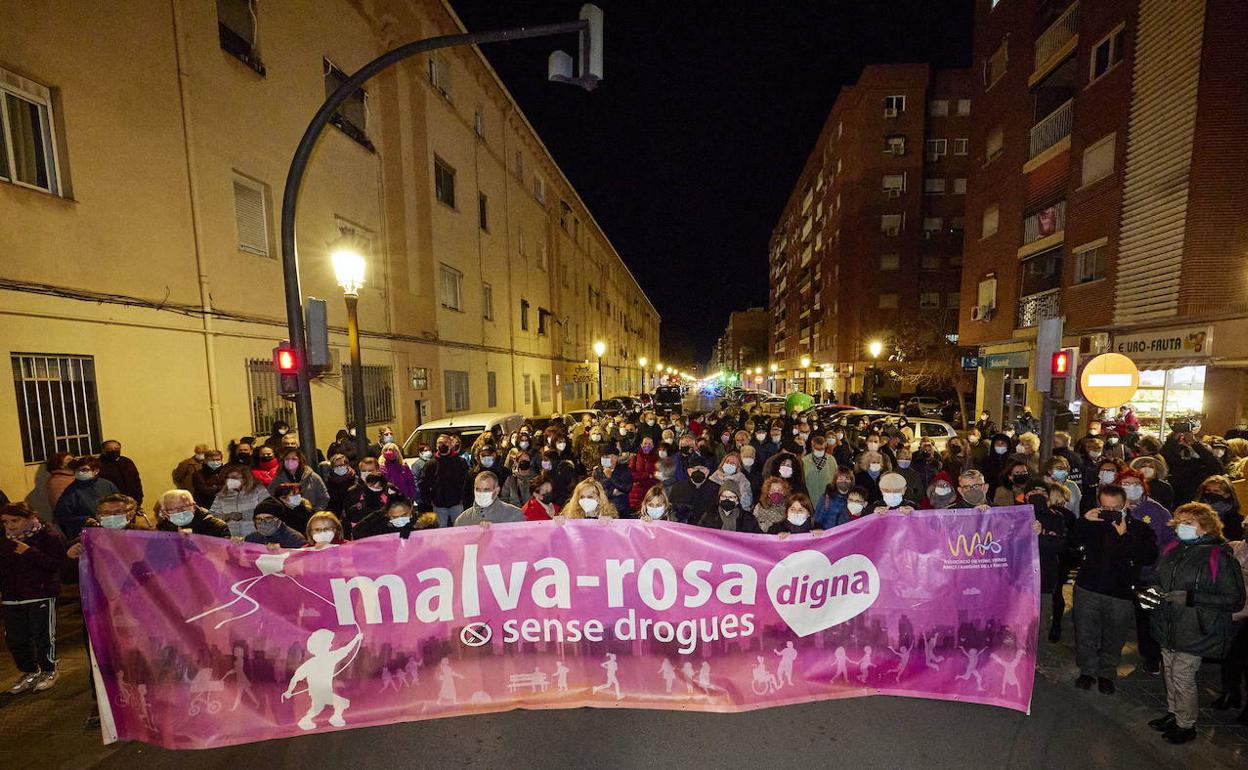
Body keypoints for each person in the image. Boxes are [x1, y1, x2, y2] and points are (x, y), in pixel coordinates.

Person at [1145, 503, 1247, 744]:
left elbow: (1234, 599)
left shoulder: (1219, 556)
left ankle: (1186, 724)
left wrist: (1191, 597)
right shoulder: (1173, 547)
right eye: (1180, 521)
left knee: (1183, 675)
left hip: (1196, 627)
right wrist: (1153, 592)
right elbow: (1160, 578)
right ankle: (1174, 713)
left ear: (1205, 527)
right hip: (1168, 622)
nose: (1182, 527)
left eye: (1189, 523)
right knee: (1170, 672)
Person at [1071, 484, 1158, 694]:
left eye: (1115, 507)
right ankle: (1087, 671)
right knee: (1085, 633)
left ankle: (1106, 674)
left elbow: (1148, 557)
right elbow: (1071, 544)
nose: (1110, 511)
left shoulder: (1139, 529)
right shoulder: (1092, 524)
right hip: (1088, 587)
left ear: (1125, 504)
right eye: (1105, 507)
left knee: (1115, 635)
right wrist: (1083, 521)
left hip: (1120, 592)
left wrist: (1125, 537)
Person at [0, 502, 67, 695]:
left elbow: (56, 564)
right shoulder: (4, 541)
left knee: (43, 636)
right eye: (6, 522)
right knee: (15, 639)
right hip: (12, 597)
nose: (10, 526)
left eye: (15, 520)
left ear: (29, 518)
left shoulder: (47, 536)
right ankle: (29, 671)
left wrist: (30, 552)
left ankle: (49, 670)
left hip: (40, 594)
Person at [1034, 482, 1075, 643]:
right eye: (1034, 491)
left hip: (1047, 575)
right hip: (1020, 580)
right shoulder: (1014, 515)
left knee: (1044, 616)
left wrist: (1041, 535)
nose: (1038, 495)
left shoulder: (1057, 517)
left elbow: (1062, 544)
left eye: (1042, 492)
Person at [55, 457, 122, 539]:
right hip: (88, 533)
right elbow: (62, 516)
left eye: (84, 470)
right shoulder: (71, 491)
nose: (80, 472)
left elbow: (121, 502)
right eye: (77, 470)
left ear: (96, 471)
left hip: (111, 528)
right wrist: (84, 520)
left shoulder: (107, 485)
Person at [420, 434, 470, 527]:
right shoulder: (431, 464)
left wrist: (463, 497)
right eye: (440, 443)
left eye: (446, 442)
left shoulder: (460, 462)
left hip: (456, 504)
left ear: (451, 444)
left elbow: (467, 481)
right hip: (439, 505)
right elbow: (423, 484)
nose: (443, 445)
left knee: (460, 529)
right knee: (440, 531)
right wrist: (430, 500)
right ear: (436, 445)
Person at [210, 465, 271, 539]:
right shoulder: (222, 495)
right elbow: (212, 515)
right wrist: (226, 516)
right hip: (230, 537)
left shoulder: (259, 491)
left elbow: (268, 510)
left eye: (235, 478)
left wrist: (243, 515)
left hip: (254, 536)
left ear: (245, 479)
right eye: (228, 478)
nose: (230, 480)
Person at [456, 472, 524, 526]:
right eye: (478, 490)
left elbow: (522, 541)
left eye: (486, 490)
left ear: (497, 490)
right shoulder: (462, 520)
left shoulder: (515, 515)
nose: (481, 493)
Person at [154, 489, 230, 538]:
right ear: (165, 512)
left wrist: (197, 537)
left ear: (194, 506)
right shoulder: (164, 529)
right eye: (172, 509)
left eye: (184, 506)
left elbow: (226, 555)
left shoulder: (217, 527)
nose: (180, 512)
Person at [668, 456, 719, 525]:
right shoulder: (678, 487)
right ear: (689, 471)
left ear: (707, 472)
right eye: (694, 468)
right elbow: (671, 510)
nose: (698, 471)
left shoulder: (716, 489)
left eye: (702, 468)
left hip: (706, 529)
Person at [1196, 475, 1246, 541]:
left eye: (1216, 491)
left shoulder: (1235, 519)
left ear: (1227, 495)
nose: (1211, 494)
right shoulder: (1195, 512)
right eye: (1208, 490)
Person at [97, 439, 143, 507]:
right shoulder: (99, 464)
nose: (113, 451)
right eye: (109, 449)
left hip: (131, 501)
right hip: (110, 503)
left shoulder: (127, 462)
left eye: (116, 448)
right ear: (103, 451)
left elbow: (136, 480)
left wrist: (139, 498)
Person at [593, 444, 633, 519]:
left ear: (615, 457)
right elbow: (597, 489)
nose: (604, 459)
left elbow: (626, 488)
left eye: (607, 457)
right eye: (603, 457)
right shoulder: (598, 471)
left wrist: (611, 477)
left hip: (620, 508)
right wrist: (613, 491)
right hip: (602, 507)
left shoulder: (624, 470)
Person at [801, 436, 836, 503]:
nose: (820, 451)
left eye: (822, 449)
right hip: (809, 499)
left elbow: (835, 479)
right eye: (817, 449)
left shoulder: (831, 460)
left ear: (825, 446)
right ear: (812, 447)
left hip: (827, 499)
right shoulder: (804, 461)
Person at [324, 454, 357, 518]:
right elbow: (329, 501)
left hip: (352, 513)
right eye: (336, 466)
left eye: (341, 465)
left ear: (347, 465)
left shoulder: (355, 479)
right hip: (336, 514)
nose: (339, 468)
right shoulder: (329, 482)